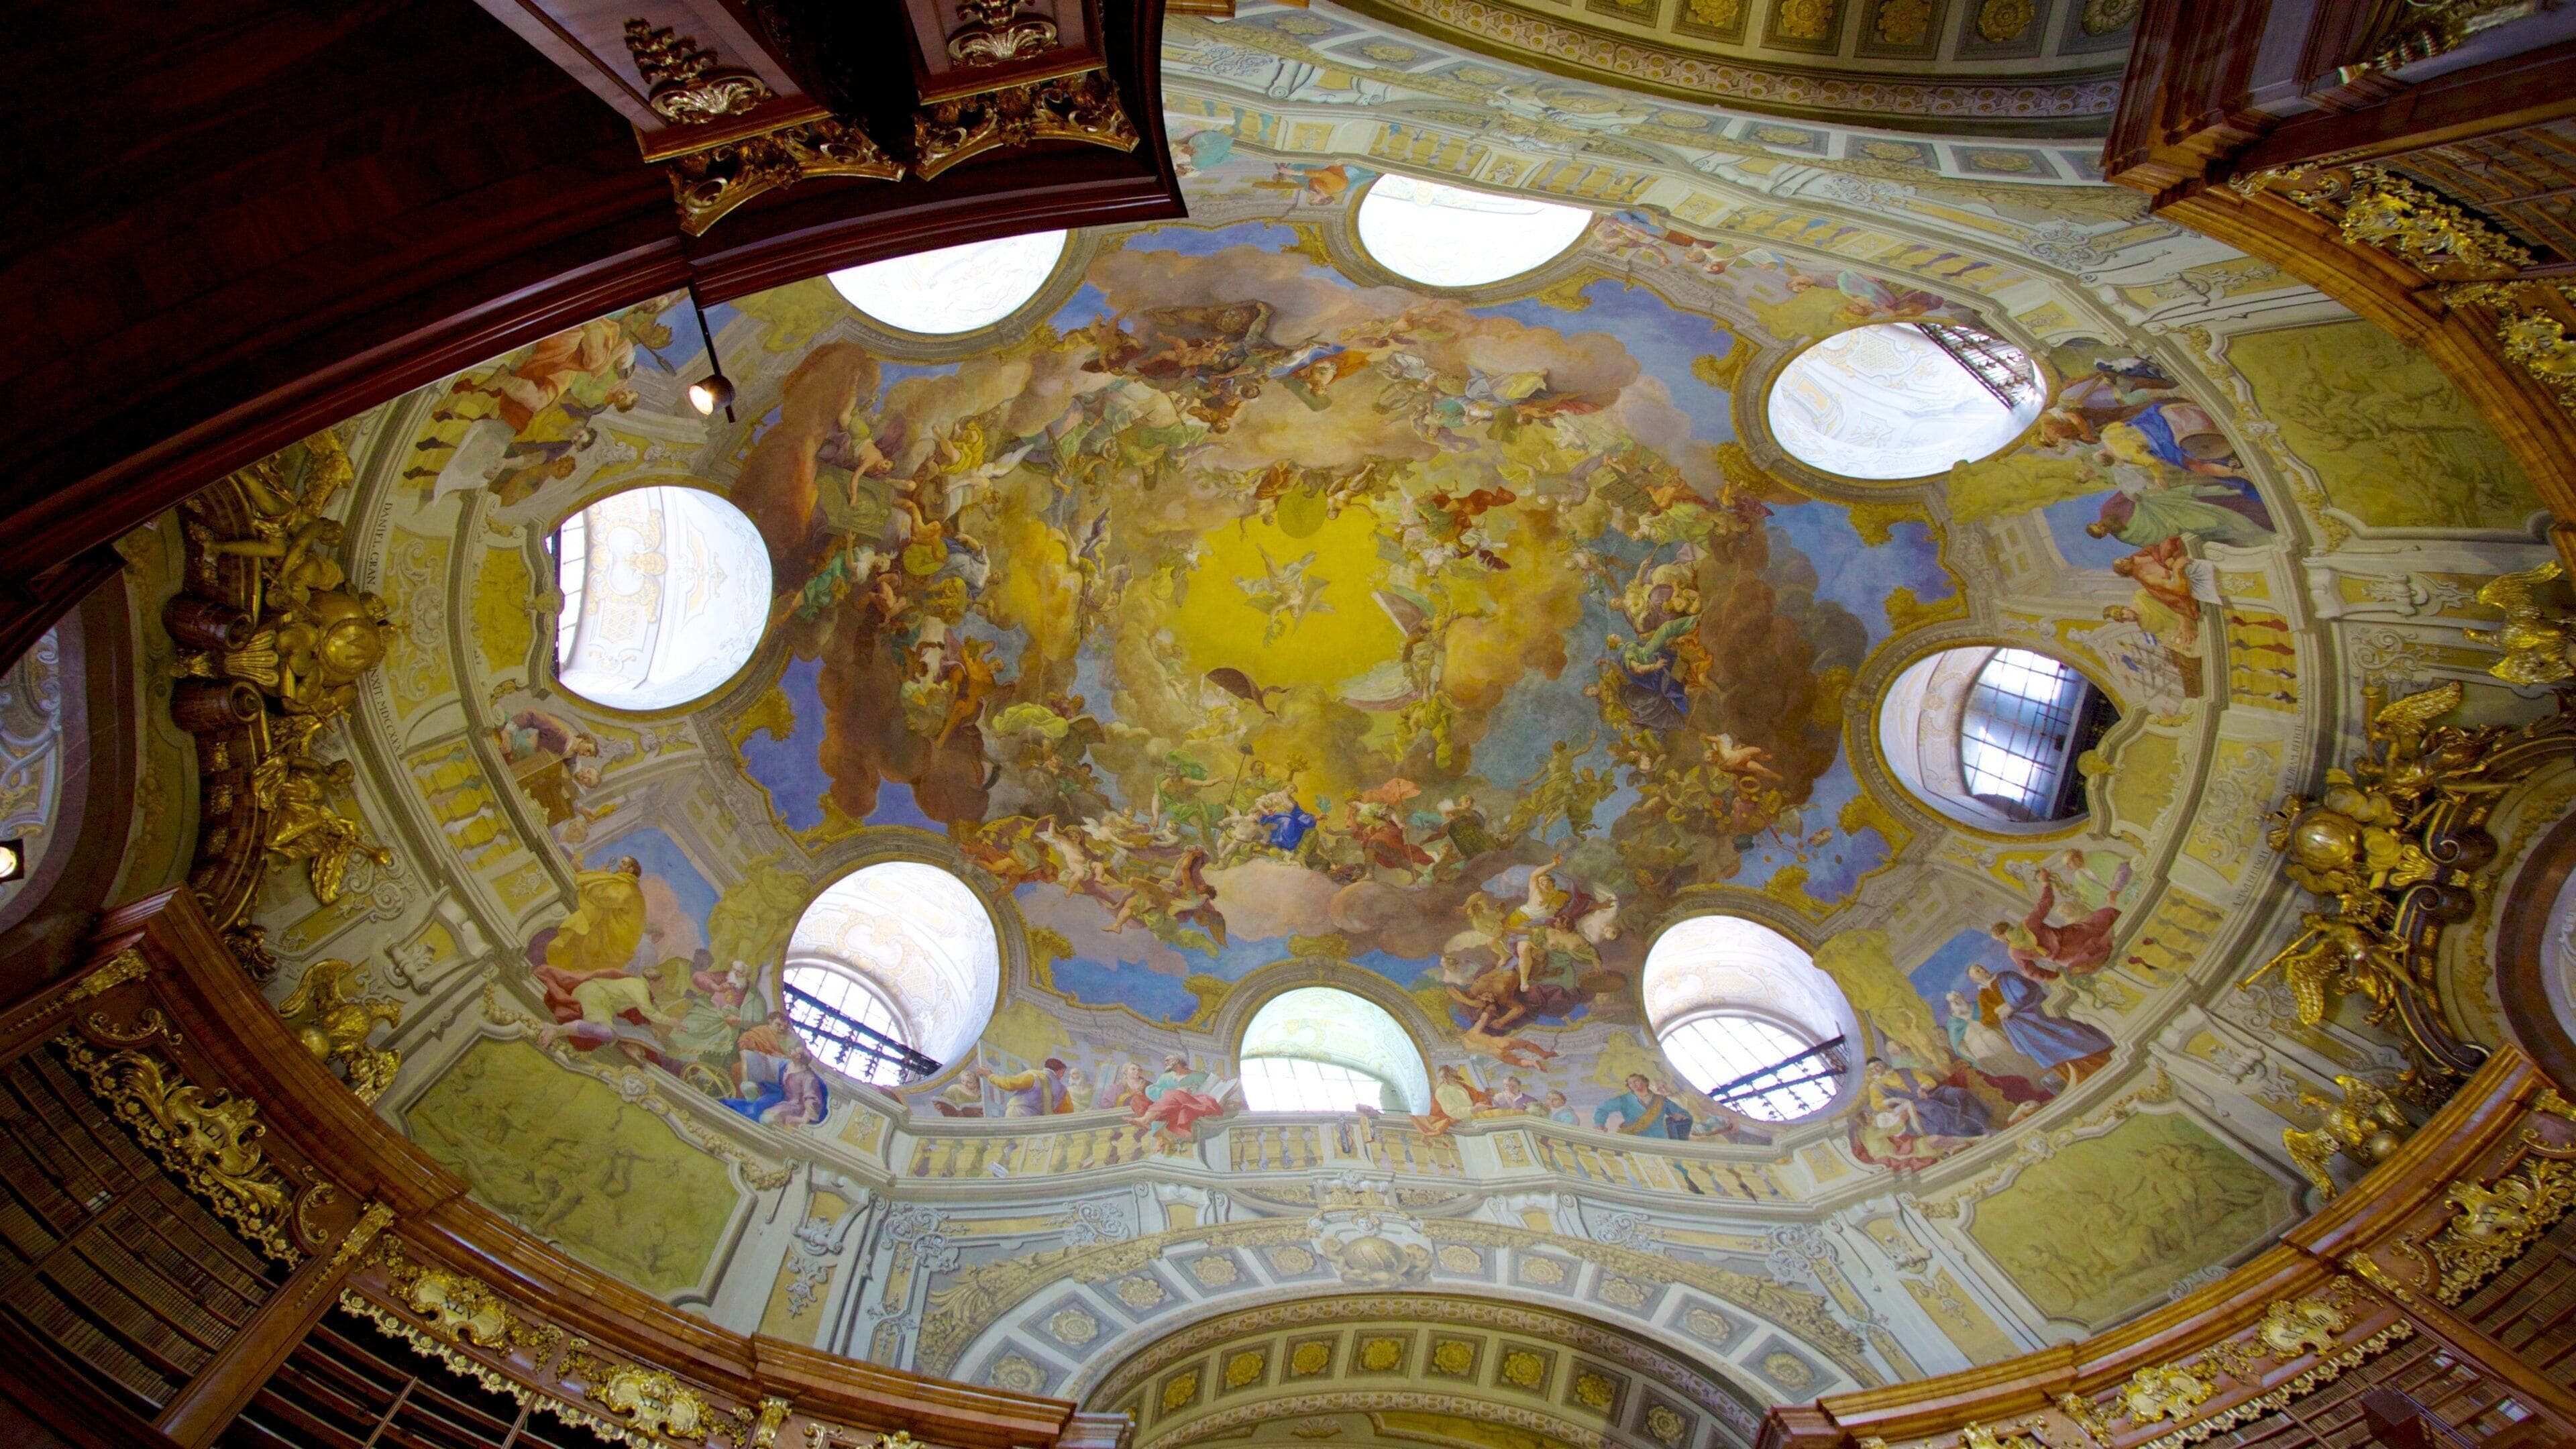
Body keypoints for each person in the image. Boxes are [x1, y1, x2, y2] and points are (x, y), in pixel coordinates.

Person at [1966, 963, 2114, 1087]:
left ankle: (2102, 1064)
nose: (1982, 970)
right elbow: (1987, 1019)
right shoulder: (1983, 995)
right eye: (1977, 971)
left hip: (2038, 1016)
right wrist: (1998, 1012)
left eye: (1980, 967)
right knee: (2049, 1054)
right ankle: (2080, 1079)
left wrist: (2011, 1006)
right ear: (1974, 979)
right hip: (2023, 1030)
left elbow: (2028, 991)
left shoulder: (2006, 977)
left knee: (2068, 1037)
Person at [1593, 1073, 1691, 1139]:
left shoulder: (1661, 1100)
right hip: (1632, 1138)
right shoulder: (1624, 1100)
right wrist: (1599, 1124)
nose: (1633, 1084)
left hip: (1658, 1139)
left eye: (1636, 1081)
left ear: (1645, 1082)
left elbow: (1682, 1113)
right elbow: (1602, 1108)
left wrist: (1680, 1115)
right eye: (1630, 1083)